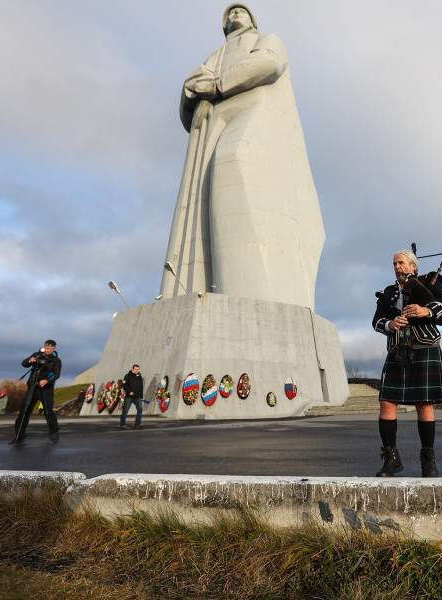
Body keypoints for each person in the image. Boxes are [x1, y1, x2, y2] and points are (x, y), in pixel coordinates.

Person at [160, 4, 325, 310]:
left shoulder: (266, 38)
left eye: (241, 10)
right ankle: (204, 292)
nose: (235, 14)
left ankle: (252, 293)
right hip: (214, 118)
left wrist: (217, 84)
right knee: (205, 197)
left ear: (252, 19)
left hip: (256, 108)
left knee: (235, 162)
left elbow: (269, 63)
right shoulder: (215, 56)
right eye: (230, 13)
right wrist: (196, 89)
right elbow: (190, 87)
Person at [371, 250, 442, 477]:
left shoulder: (429, 285)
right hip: (398, 350)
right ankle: (391, 459)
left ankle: (428, 460)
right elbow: (377, 320)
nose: (397, 266)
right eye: (394, 263)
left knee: (424, 403)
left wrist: (425, 310)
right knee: (387, 402)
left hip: (424, 348)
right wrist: (391, 324)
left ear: (413, 266)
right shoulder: (390, 292)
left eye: (401, 263)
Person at [10, 340, 61, 445]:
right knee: (24, 411)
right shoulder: (37, 355)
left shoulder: (56, 360)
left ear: (54, 349)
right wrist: (30, 360)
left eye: (51, 348)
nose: (48, 349)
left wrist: (47, 380)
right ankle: (19, 435)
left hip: (46, 389)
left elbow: (56, 374)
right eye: (47, 347)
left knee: (48, 411)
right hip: (33, 387)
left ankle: (54, 433)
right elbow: (24, 364)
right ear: (44, 346)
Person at [119, 364, 145, 430]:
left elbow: (141, 387)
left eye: (138, 369)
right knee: (125, 410)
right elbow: (124, 385)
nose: (137, 370)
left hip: (137, 397)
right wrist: (129, 391)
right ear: (133, 369)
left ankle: (137, 424)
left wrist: (141, 396)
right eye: (136, 369)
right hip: (129, 397)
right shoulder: (127, 376)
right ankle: (122, 424)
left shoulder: (139, 376)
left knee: (140, 409)